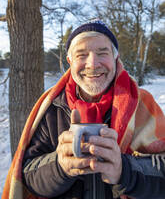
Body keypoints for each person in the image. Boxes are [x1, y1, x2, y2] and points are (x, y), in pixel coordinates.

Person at [2, 20, 165, 199]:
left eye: (102, 53)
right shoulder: (51, 107)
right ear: (69, 61)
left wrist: (124, 171)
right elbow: (27, 175)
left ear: (115, 58)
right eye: (81, 55)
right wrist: (59, 167)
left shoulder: (143, 103)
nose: (92, 64)